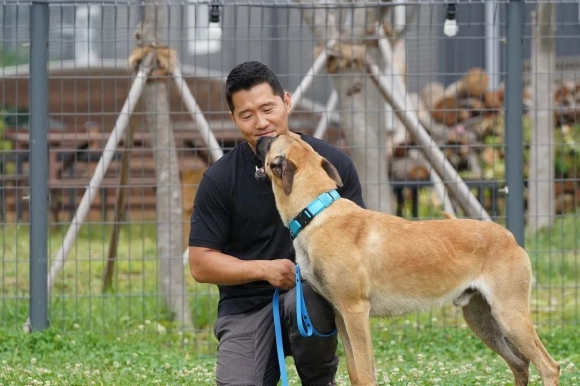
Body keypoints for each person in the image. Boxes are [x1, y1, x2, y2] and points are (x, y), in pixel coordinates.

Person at [188, 60, 366, 386]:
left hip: (311, 299)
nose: (261, 123)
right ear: (233, 119)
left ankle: (320, 380)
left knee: (310, 297)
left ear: (286, 101)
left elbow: (357, 245)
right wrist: (264, 269)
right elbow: (200, 264)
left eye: (268, 108)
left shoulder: (332, 164)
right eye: (247, 115)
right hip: (245, 309)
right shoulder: (219, 179)